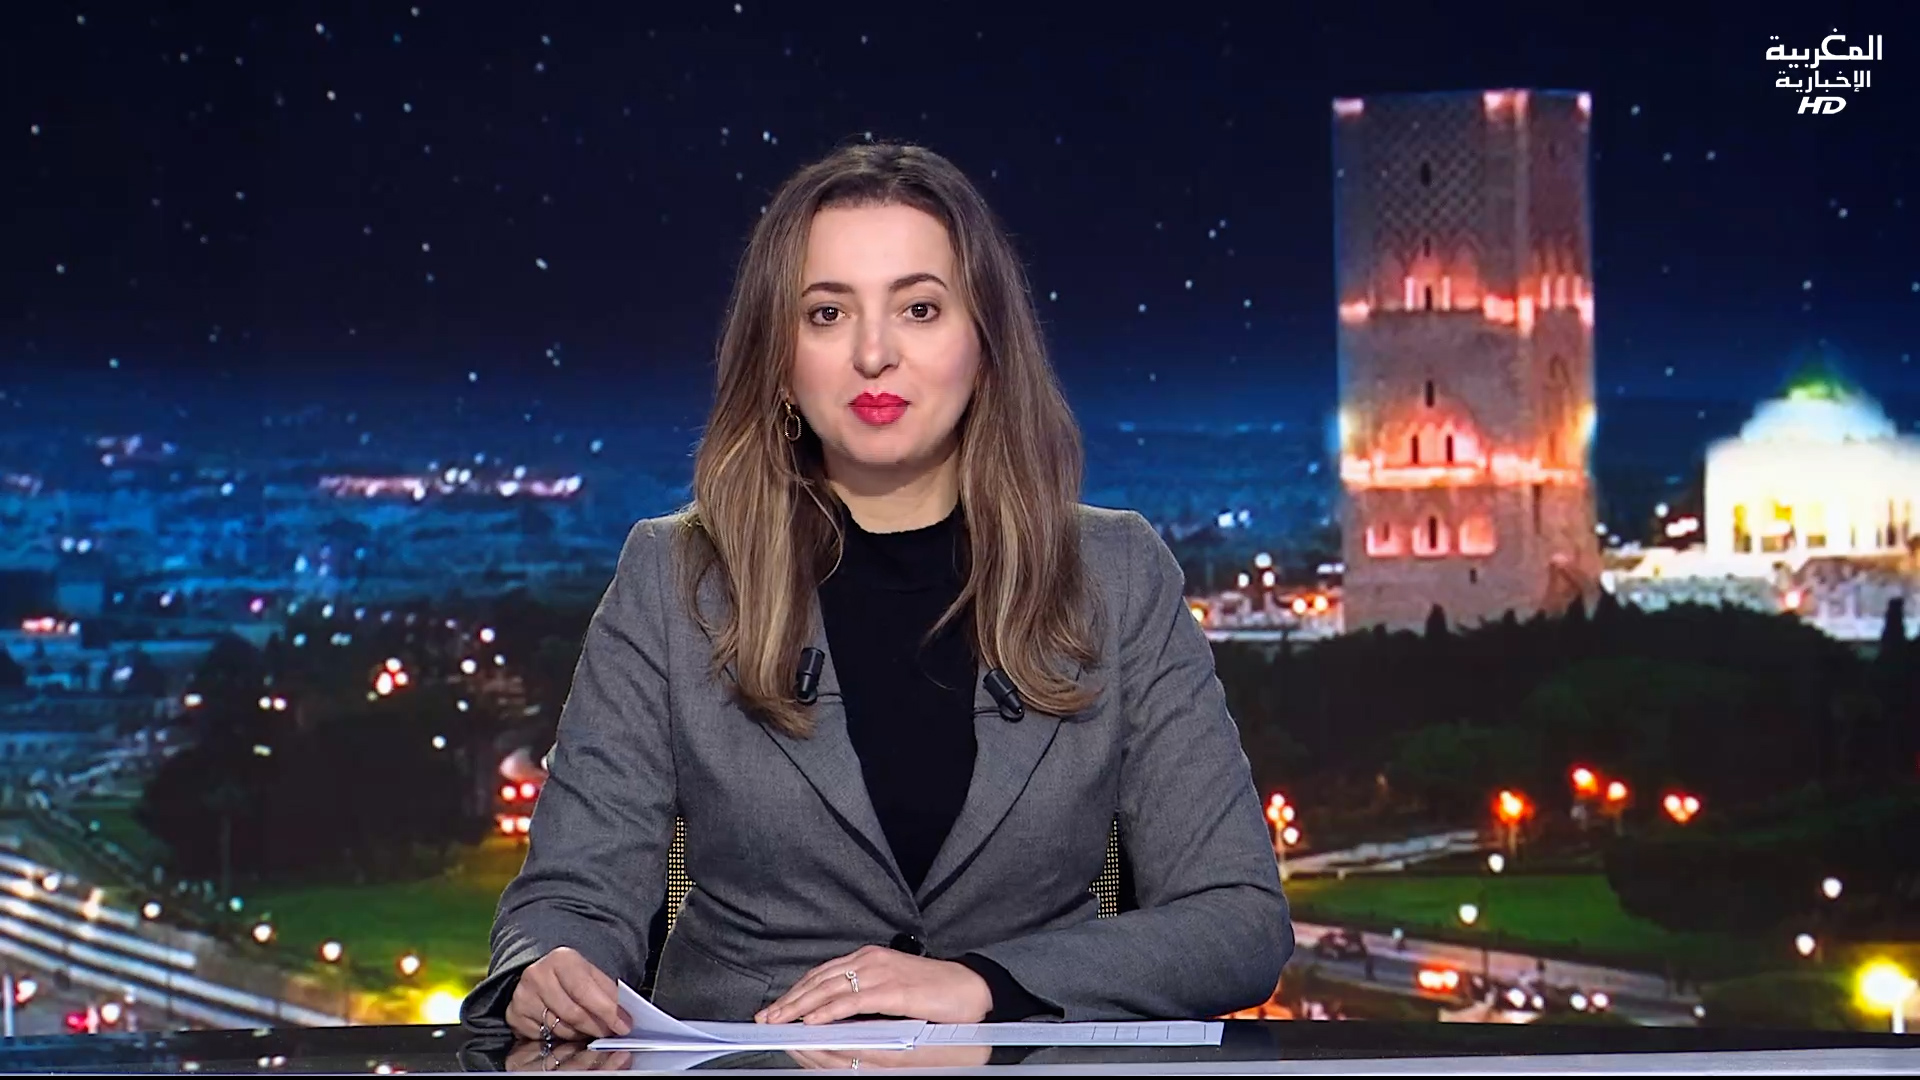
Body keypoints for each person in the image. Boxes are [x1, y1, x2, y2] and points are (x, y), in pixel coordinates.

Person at [459, 140, 1292, 1043]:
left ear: (985, 343)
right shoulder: (675, 577)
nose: (873, 354)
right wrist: (549, 968)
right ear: (780, 359)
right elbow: (568, 899)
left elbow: (1237, 920)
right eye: (827, 313)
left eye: (919, 309)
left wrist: (983, 985)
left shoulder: (1116, 573)